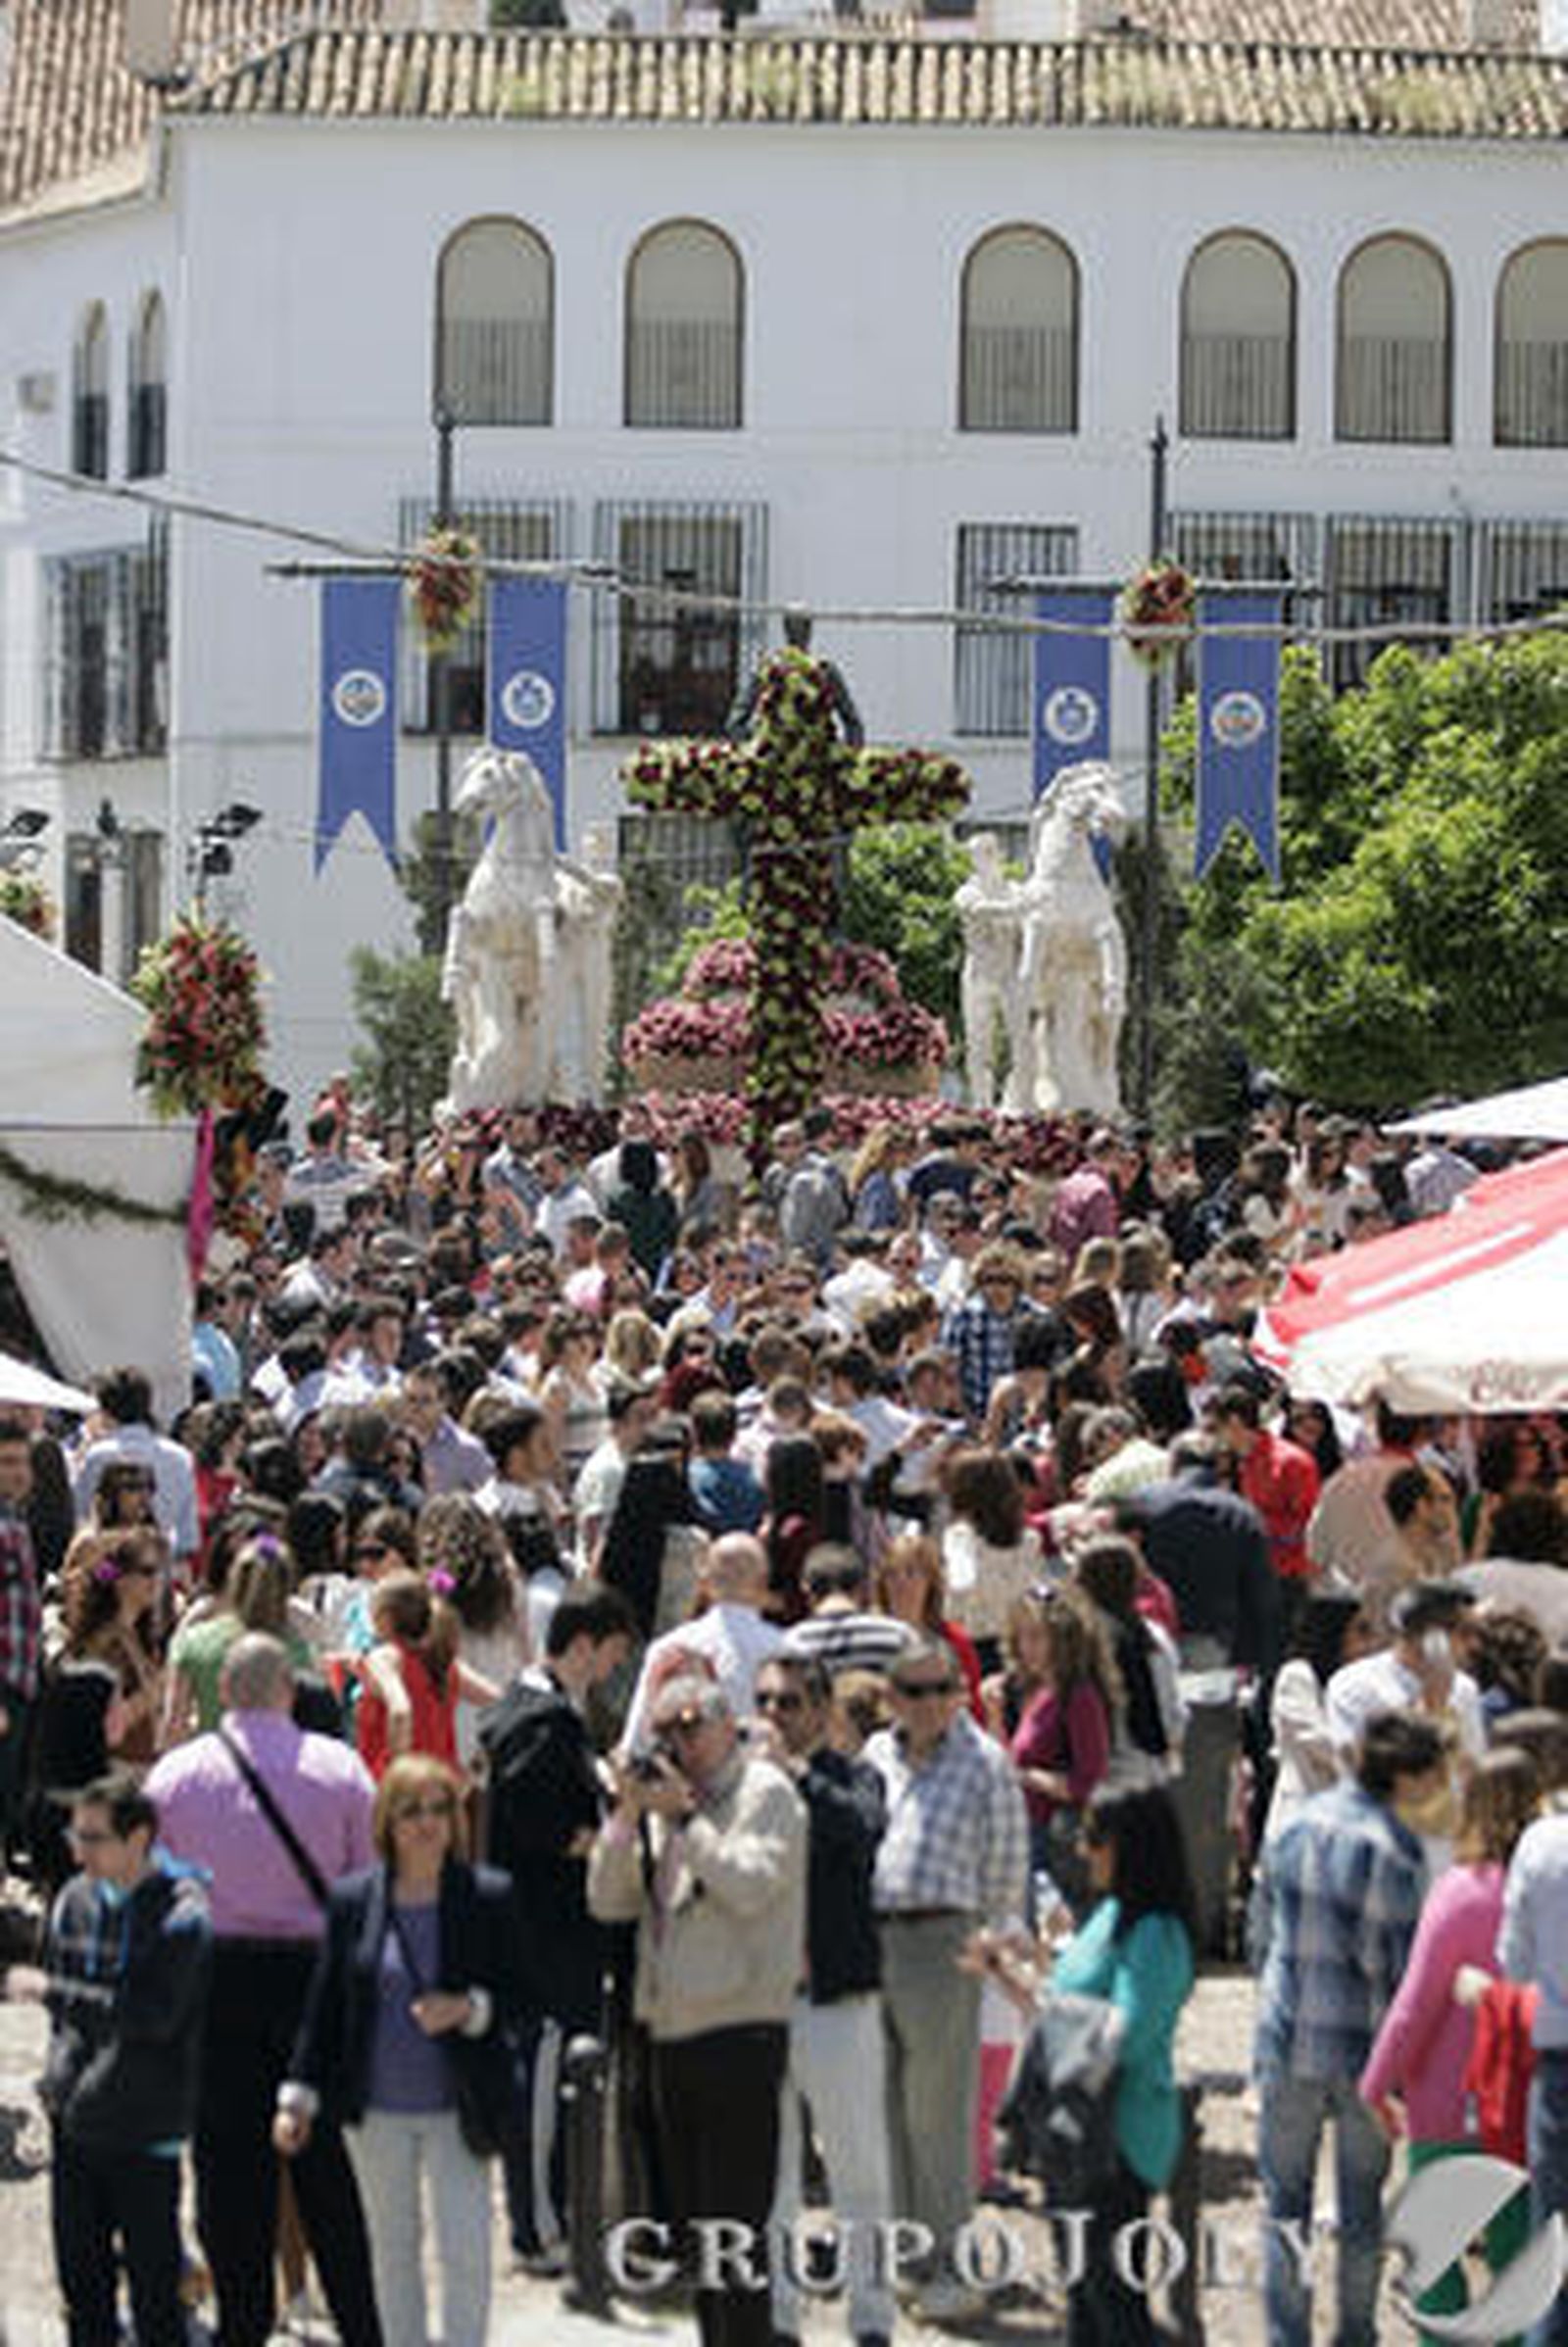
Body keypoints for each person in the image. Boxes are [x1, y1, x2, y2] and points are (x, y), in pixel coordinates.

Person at [145, 1633, 383, 2347]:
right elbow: (369, 1884)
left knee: (225, 2165)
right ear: (287, 1689)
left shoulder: (176, 1776)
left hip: (215, 1977)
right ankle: (361, 2324)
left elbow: (153, 1890)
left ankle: (242, 2323)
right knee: (328, 2169)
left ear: (225, 1690)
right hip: (313, 1975)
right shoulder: (340, 1769)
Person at [588, 1674, 807, 2347]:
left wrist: (685, 1819)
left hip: (741, 2031)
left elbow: (750, 1884)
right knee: (694, 2235)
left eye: (690, 1726)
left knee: (734, 2229)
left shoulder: (764, 1793)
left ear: (724, 1723)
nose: (678, 1743)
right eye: (666, 1730)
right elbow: (607, 1900)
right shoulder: (662, 1807)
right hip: (669, 2034)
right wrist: (627, 1815)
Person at [274, 1756, 520, 2347]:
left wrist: (468, 2010)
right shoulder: (354, 1899)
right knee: (392, 2251)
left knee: (466, 2250)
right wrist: (298, 2098)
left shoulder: (487, 1894)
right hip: (376, 2109)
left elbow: (522, 1994)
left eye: (440, 1808)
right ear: (387, 1820)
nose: (428, 1823)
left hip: (460, 2106)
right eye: (412, 1811)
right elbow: (326, 2005)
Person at [971, 1783, 1198, 2347]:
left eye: (1094, 1836)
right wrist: (1007, 1974)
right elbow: (1063, 2009)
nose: (1080, 1848)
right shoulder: (1113, 1915)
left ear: (1132, 1845)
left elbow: (1125, 2032)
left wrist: (1053, 2012)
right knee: (1087, 2304)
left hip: (1117, 2141)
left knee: (1113, 2306)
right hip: (1077, 2135)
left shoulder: (1155, 1933)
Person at [1254, 1708, 1450, 2347]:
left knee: (1284, 2204)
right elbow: (1395, 1973)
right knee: (1361, 2208)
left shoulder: (1297, 1824)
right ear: (1409, 1775)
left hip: (1287, 2036)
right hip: (1362, 2054)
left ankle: (1287, 2334)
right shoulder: (1393, 1850)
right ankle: (1354, 2332)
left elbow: (1268, 1930)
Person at [864, 1636, 1029, 2325]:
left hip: (945, 1937)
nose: (934, 1702)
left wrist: (992, 1937)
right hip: (876, 1938)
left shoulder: (986, 1761)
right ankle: (909, 2254)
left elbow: (1009, 1854)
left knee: (939, 2107)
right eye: (919, 1689)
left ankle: (950, 2258)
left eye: (944, 1688)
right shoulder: (876, 1755)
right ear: (894, 1696)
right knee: (886, 2103)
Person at [15, 1773, 212, 2347]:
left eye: (94, 1838)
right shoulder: (73, 1901)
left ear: (140, 1838)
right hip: (75, 2126)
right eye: (77, 1837)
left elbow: (150, 2016)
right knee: (84, 2295)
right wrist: (57, 2079)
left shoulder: (184, 1917)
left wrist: (52, 1992)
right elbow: (66, 2019)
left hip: (145, 2131)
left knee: (155, 2300)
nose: (80, 1851)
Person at [1360, 1748, 1540, 2343]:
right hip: (1522, 2101)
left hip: (1447, 2100)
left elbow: (1416, 2006)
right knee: (1519, 2259)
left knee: (1431, 2258)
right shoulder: (1547, 1888)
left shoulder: (1458, 1893)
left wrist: (1377, 2083)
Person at [481, 1582, 635, 2270]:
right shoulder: (544, 1722)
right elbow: (547, 1828)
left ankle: (550, 2213)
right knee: (542, 2077)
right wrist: (610, 1829)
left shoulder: (528, 1706)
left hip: (541, 1928)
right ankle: (536, 2226)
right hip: (546, 1929)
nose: (612, 1667)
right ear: (583, 1643)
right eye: (610, 1652)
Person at [754, 1652, 896, 2347]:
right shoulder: (742, 1787)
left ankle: (870, 2316)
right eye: (765, 1701)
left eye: (787, 1702)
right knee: (770, 2175)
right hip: (761, 2003)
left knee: (858, 2165)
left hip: (837, 1998)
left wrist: (798, 1772)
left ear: (818, 1708)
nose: (774, 1714)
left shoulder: (853, 1774)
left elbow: (863, 1829)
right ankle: (780, 2316)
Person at [618, 1530, 783, 1753]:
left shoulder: (669, 1648)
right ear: (764, 1583)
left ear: (704, 1583)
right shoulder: (787, 1649)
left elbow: (638, 1741)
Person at [0, 1414, 44, 1864]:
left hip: (21, 1678)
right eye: (6, 1462)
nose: (17, 1471)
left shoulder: (16, 1520)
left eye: (22, 1462)